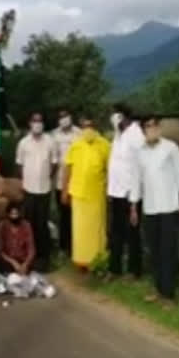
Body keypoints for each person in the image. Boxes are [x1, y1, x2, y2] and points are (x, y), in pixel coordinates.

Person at [130, 115, 179, 306]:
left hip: (169, 208)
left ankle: (169, 295)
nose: (152, 129)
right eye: (148, 126)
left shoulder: (171, 148)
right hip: (150, 209)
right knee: (154, 252)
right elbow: (136, 181)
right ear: (143, 131)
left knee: (168, 251)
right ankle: (158, 290)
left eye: (155, 125)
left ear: (159, 127)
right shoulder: (140, 152)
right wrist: (133, 207)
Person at [62, 116, 111, 271]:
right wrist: (65, 190)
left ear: (95, 127)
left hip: (97, 194)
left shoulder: (105, 144)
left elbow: (110, 169)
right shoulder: (75, 145)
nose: (88, 129)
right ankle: (80, 260)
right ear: (81, 128)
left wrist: (110, 190)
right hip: (78, 194)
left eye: (90, 126)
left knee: (97, 229)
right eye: (85, 126)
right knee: (80, 230)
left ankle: (98, 260)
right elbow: (67, 169)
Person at [107, 104, 146, 279]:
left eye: (115, 114)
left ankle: (133, 270)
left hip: (131, 193)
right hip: (116, 191)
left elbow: (140, 166)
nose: (112, 118)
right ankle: (114, 269)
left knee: (132, 233)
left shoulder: (136, 135)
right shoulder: (118, 135)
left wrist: (134, 200)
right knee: (116, 232)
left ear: (123, 116)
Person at [16, 112, 57, 272]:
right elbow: (19, 164)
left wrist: (47, 178)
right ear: (30, 123)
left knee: (42, 225)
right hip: (29, 189)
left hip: (44, 189)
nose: (37, 124)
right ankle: (28, 258)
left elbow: (54, 163)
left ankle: (43, 259)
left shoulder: (50, 142)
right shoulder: (23, 143)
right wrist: (24, 181)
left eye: (40, 121)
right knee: (29, 224)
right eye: (35, 121)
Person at [51, 109, 81, 258]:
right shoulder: (54, 135)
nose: (64, 119)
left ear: (71, 117)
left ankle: (76, 246)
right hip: (59, 182)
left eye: (66, 116)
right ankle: (64, 247)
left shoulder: (79, 133)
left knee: (76, 215)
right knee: (63, 215)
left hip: (77, 182)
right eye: (61, 117)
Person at [0, 203, 36, 275]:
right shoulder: (2, 226)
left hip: (23, 260)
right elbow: (0, 250)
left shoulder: (26, 225)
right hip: (8, 260)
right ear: (8, 214)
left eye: (16, 214)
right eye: (12, 214)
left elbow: (31, 248)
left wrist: (25, 264)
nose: (14, 216)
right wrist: (13, 262)